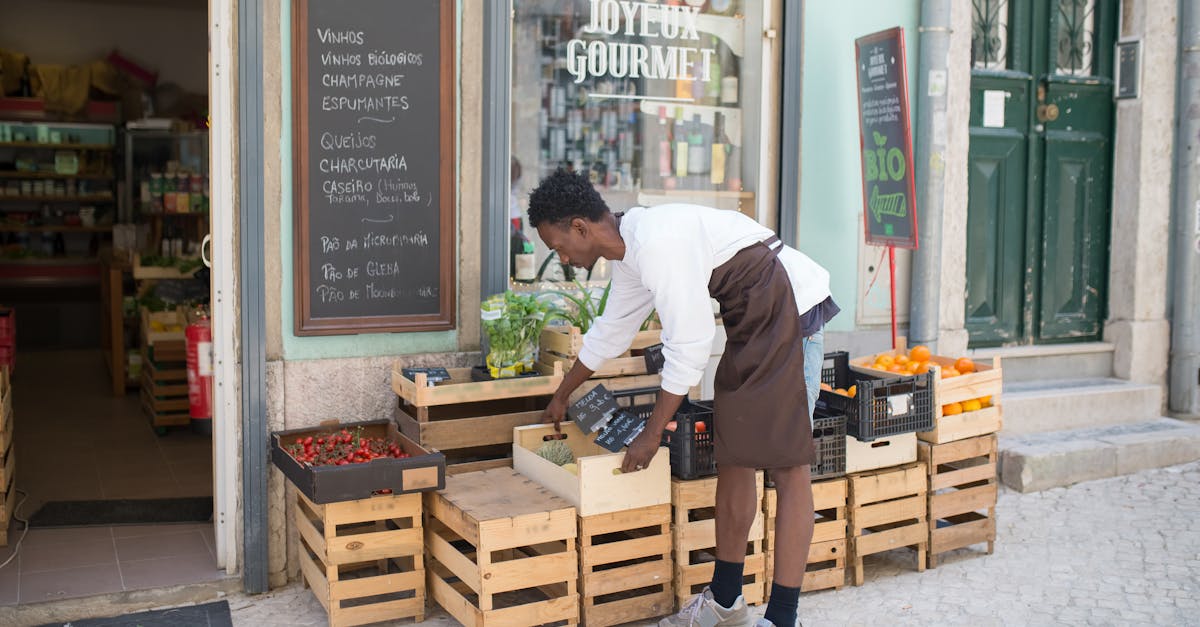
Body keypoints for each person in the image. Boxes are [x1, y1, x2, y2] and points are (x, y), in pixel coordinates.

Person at [529, 169, 838, 627]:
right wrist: (563, 393)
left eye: (558, 246)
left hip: (790, 308)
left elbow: (690, 344)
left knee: (789, 466)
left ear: (580, 227)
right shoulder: (629, 251)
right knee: (735, 457)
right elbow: (612, 330)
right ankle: (727, 602)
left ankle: (782, 617)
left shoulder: (655, 242)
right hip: (751, 320)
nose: (561, 257)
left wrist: (652, 435)